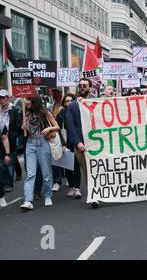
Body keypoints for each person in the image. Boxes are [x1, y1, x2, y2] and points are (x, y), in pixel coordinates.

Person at [20, 96, 60, 211]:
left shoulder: (45, 112)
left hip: (43, 142)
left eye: (28, 100)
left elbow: (56, 127)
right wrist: (24, 127)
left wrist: (48, 129)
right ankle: (28, 200)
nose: (26, 102)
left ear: (34, 102)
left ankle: (48, 195)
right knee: (30, 173)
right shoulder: (26, 114)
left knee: (46, 172)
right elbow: (27, 130)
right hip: (30, 143)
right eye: (26, 99)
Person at [66, 78, 99, 208]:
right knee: (88, 171)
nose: (82, 87)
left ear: (90, 87)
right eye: (80, 85)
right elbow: (71, 126)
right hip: (81, 146)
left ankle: (97, 194)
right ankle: (94, 196)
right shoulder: (73, 106)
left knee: (96, 171)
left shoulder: (97, 103)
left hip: (96, 144)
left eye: (85, 85)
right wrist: (78, 142)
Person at [0, 89, 22, 191]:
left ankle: (9, 184)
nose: (1, 100)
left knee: (9, 160)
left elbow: (19, 125)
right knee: (1, 162)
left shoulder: (15, 110)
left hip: (11, 139)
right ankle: (5, 181)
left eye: (3, 97)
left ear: (7, 98)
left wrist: (13, 135)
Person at [56, 93, 82, 199]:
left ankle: (77, 188)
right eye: (67, 101)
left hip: (75, 141)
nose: (69, 102)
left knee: (76, 166)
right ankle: (71, 187)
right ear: (64, 103)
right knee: (67, 167)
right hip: (65, 142)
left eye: (71, 100)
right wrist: (62, 144)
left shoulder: (78, 112)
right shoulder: (61, 114)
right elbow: (57, 129)